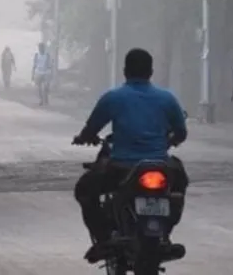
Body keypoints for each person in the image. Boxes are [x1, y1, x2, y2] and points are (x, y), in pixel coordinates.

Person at [72, 48, 189, 263]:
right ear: (151, 71)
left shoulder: (113, 98)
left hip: (121, 168)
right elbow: (181, 132)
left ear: (125, 71)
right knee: (179, 184)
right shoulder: (167, 98)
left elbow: (91, 129)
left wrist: (84, 137)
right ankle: (165, 234)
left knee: (85, 190)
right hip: (160, 165)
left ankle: (104, 240)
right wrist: (168, 141)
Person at [33, 41, 54, 106]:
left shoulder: (47, 55)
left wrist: (51, 71)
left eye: (42, 47)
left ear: (44, 48)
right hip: (38, 72)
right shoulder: (36, 55)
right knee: (39, 88)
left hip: (46, 72)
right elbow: (34, 65)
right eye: (40, 47)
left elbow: (50, 64)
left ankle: (46, 98)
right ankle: (41, 100)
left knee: (45, 87)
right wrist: (32, 74)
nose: (40, 49)